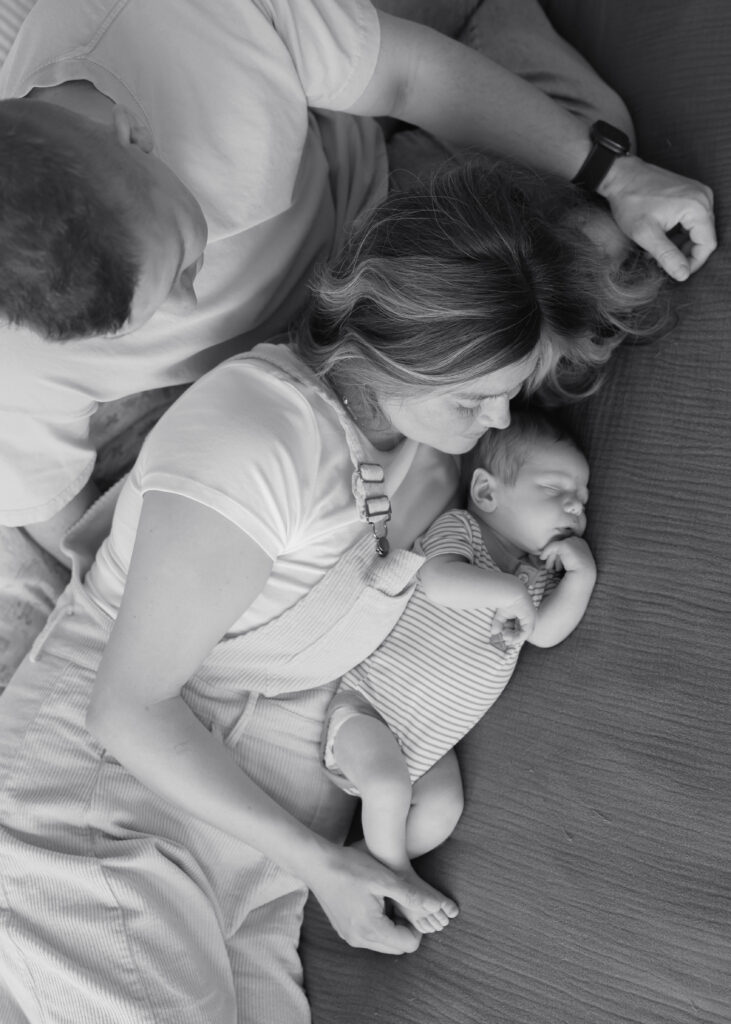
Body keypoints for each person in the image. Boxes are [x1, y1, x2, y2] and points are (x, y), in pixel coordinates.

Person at [0, 160, 668, 1022]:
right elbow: (126, 709)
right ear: (397, 350)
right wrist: (327, 867)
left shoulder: (428, 446)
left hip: (263, 843)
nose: (498, 424)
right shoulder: (258, 438)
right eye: (478, 400)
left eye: (509, 396)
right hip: (110, 808)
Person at [0, 0, 716, 687]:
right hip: (255, 374)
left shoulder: (184, 18)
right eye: (150, 313)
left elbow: (409, 76)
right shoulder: (17, 350)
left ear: (133, 133)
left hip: (380, 211)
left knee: (607, 224)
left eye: (181, 257)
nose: (191, 295)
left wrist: (617, 176)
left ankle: (479, 21)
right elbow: (58, 511)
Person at [321, 406, 596, 932]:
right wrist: (509, 591)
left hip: (429, 745)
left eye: (581, 500)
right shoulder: (463, 532)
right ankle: (396, 875)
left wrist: (580, 577)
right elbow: (438, 585)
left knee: (443, 808)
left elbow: (544, 633)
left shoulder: (533, 579)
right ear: (488, 493)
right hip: (367, 711)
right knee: (387, 789)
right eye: (556, 489)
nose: (575, 507)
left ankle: (363, 856)